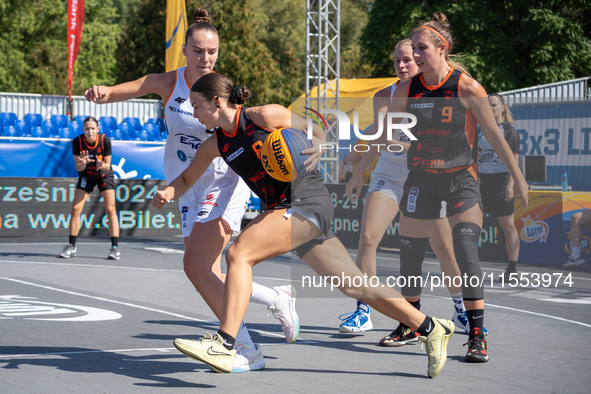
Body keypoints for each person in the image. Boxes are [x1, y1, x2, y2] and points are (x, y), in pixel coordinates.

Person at [153, 72, 456, 379]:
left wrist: (320, 146)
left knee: (238, 254)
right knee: (355, 284)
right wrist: (168, 191)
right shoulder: (216, 143)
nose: (193, 113)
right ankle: (431, 327)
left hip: (306, 200)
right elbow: (187, 178)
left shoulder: (263, 116)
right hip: (287, 210)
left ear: (216, 102)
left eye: (196, 105)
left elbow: (316, 130)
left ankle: (226, 343)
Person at [84, 8, 298, 373]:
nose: (206, 58)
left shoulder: (222, 91)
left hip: (222, 182)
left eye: (212, 52)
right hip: (187, 184)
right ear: (184, 50)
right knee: (203, 271)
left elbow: (251, 128)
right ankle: (274, 297)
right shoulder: (170, 83)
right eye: (198, 51)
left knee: (197, 268)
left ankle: (242, 347)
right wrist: (103, 94)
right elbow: (132, 87)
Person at [380, 13, 529, 363]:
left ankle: (477, 335)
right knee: (410, 254)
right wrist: (371, 149)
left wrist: (518, 176)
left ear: (441, 48)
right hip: (422, 178)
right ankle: (411, 324)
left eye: (421, 48)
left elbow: (493, 134)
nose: (415, 55)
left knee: (465, 249)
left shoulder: (467, 87)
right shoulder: (406, 90)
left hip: (461, 178)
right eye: (413, 49)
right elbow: (389, 130)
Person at [341, 39, 476, 343]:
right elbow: (379, 136)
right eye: (397, 61)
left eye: (408, 60)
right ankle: (364, 308)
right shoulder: (383, 96)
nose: (402, 65)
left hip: (427, 176)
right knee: (368, 237)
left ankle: (459, 308)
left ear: (421, 61)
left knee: (444, 249)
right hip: (389, 174)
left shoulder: (441, 95)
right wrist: (358, 173)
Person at [59, 117, 121, 260]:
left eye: (93, 128)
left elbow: (107, 165)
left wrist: (101, 165)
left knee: (110, 209)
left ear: (97, 130)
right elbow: (78, 167)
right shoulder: (77, 142)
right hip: (87, 175)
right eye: (87, 128)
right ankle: (71, 246)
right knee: (75, 208)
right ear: (83, 130)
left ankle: (115, 248)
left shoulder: (105, 141)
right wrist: (84, 163)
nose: (90, 131)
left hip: (104, 175)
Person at [477, 94, 521, 280]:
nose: (490, 108)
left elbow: (515, 161)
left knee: (507, 226)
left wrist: (511, 184)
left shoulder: (509, 131)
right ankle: (471, 268)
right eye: (487, 105)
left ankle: (512, 270)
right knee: (473, 224)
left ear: (502, 108)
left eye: (494, 105)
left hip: (501, 180)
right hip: (481, 181)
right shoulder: (480, 129)